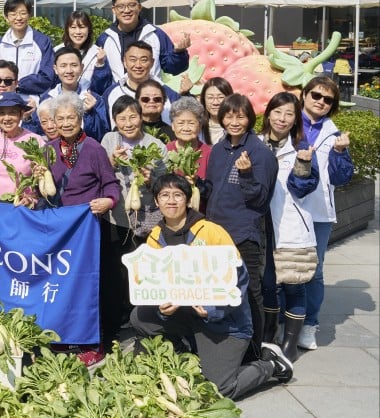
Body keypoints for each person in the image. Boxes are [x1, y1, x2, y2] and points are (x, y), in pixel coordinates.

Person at [130, 174, 294, 400]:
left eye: (178, 195)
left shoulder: (210, 231)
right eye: (164, 195)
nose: (171, 201)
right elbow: (156, 282)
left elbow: (239, 279)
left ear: (187, 200)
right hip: (186, 314)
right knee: (140, 316)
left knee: (219, 390)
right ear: (156, 202)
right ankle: (187, 351)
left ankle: (270, 365)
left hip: (224, 322)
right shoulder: (156, 237)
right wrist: (161, 307)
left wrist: (213, 308)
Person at [46, 92, 121, 365]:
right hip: (58, 231)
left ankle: (94, 342)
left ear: (81, 119)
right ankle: (62, 337)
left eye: (71, 117)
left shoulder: (94, 149)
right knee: (61, 285)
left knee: (88, 286)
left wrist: (108, 200)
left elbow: (111, 184)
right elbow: (37, 185)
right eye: (60, 118)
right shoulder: (47, 149)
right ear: (53, 121)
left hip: (87, 230)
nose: (66, 123)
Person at [205, 93, 278, 358]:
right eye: (229, 115)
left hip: (244, 234)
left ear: (249, 118)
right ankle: (226, 345)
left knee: (249, 291)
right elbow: (212, 189)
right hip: (216, 232)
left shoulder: (260, 153)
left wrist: (246, 174)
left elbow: (260, 199)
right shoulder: (219, 148)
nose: (234, 121)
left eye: (241, 116)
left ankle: (254, 351)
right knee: (221, 291)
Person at [258, 92, 320, 361]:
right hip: (261, 226)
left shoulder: (301, 148)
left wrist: (303, 164)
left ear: (295, 120)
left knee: (295, 284)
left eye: (289, 114)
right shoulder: (254, 143)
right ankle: (268, 337)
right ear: (268, 113)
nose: (282, 119)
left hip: (289, 225)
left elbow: (303, 188)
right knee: (268, 285)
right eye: (277, 112)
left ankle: (290, 343)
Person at [101, 95, 167, 338]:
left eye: (132, 116)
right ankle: (119, 316)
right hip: (116, 215)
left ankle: (142, 317)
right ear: (115, 120)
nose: (128, 123)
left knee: (142, 265)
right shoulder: (109, 139)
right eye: (122, 118)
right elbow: (100, 172)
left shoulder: (155, 145)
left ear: (141, 117)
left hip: (147, 215)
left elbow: (163, 183)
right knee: (117, 267)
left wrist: (150, 179)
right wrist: (111, 161)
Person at [298, 76, 354, 351]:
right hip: (286, 209)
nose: (320, 102)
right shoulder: (286, 122)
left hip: (318, 212)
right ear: (304, 95)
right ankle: (287, 319)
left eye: (327, 99)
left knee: (314, 271)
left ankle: (309, 324)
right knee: (281, 267)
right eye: (316, 95)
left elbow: (340, 178)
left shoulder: (335, 135)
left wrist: (341, 152)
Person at [96, 0, 191, 82]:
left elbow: (173, 68)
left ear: (139, 7)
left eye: (132, 5)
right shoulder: (105, 39)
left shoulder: (156, 34)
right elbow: (100, 75)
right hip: (118, 95)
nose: (127, 10)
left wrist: (178, 53)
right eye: (121, 6)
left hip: (149, 94)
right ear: (114, 10)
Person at [0, 92, 46, 205]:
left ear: (21, 114)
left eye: (12, 113)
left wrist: (31, 199)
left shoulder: (35, 141)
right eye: (1, 113)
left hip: (21, 205)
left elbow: (43, 179)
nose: (7, 118)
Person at [101, 41, 182, 127]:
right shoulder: (111, 93)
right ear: (124, 62)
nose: (138, 65)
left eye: (144, 60)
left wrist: (187, 94)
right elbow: (103, 128)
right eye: (133, 60)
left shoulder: (167, 93)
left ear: (152, 62)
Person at [0, 0, 56, 97]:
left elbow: (47, 75)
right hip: (5, 101)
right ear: (6, 17)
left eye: (23, 13)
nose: (18, 18)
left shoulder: (42, 42)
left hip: (32, 101)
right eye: (13, 14)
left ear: (29, 15)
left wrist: (18, 84)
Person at [39, 46, 109, 141]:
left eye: (74, 65)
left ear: (81, 68)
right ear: (55, 69)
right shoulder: (47, 99)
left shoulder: (94, 99)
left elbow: (102, 136)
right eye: (63, 66)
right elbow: (38, 133)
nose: (69, 71)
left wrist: (90, 113)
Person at [165, 97, 212, 208]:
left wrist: (198, 183)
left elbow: (213, 191)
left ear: (200, 126)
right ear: (172, 125)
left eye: (191, 123)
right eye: (180, 123)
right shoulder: (165, 151)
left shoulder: (209, 153)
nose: (186, 128)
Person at [56, 11, 111, 94]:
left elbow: (102, 88)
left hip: (88, 102)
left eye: (82, 27)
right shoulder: (56, 51)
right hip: (61, 102)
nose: (78, 32)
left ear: (89, 29)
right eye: (73, 27)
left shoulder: (98, 53)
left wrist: (100, 65)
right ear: (67, 29)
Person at [199, 77, 233, 145]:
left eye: (220, 97)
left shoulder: (238, 128)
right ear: (204, 100)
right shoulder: (197, 128)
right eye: (210, 97)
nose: (215, 102)